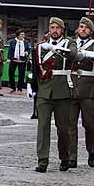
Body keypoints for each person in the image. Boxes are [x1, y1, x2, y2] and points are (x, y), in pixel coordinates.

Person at [34, 17, 80, 173]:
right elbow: (34, 67)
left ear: (62, 30)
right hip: (44, 91)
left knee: (63, 129)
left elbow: (74, 54)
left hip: (63, 91)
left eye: (57, 28)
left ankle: (64, 157)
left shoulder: (69, 43)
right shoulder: (41, 46)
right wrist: (30, 86)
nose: (54, 30)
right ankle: (42, 160)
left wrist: (61, 51)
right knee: (43, 127)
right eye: (52, 27)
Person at [68, 16, 94, 169]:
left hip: (88, 89)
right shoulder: (71, 42)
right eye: (81, 26)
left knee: (89, 124)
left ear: (91, 30)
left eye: (86, 27)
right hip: (71, 87)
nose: (83, 29)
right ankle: (72, 157)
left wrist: (86, 54)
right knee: (70, 125)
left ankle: (91, 149)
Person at [8, 30, 30, 94]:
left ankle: (20, 88)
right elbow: (10, 51)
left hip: (22, 60)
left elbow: (28, 50)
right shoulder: (13, 42)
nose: (23, 36)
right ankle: (13, 87)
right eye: (22, 34)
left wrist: (27, 52)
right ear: (18, 35)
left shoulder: (26, 42)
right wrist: (9, 58)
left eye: (24, 34)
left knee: (21, 75)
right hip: (14, 59)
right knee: (11, 73)